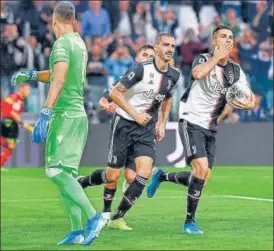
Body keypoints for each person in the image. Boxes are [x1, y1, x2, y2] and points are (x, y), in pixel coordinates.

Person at [146, 25, 256, 235]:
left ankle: (162, 176)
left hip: (211, 126)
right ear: (215, 42)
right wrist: (216, 58)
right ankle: (190, 222)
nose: (227, 40)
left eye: (230, 37)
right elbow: (197, 74)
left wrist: (248, 103)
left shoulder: (235, 70)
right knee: (200, 168)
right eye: (223, 37)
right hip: (191, 119)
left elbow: (250, 97)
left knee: (202, 178)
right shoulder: (203, 59)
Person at [11, 2, 104, 245]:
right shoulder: (79, 43)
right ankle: (77, 230)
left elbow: (59, 80)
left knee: (54, 170)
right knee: (68, 176)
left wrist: (45, 112)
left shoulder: (62, 44)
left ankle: (94, 217)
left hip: (64, 115)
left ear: (54, 21)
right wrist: (32, 75)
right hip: (78, 115)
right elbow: (57, 74)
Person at [77, 33, 180, 230]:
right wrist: (134, 113)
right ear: (157, 47)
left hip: (146, 128)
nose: (169, 49)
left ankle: (117, 216)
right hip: (124, 125)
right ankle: (83, 182)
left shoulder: (174, 74)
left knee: (143, 173)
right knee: (112, 176)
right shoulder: (140, 69)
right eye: (166, 45)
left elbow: (167, 98)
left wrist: (162, 122)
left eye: (173, 46)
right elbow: (114, 93)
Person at [0, 83, 32, 170]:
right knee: (11, 145)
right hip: (9, 122)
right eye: (28, 90)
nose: (29, 92)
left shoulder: (13, 97)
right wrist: (22, 123)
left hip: (5, 121)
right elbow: (13, 113)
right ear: (21, 89)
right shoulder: (17, 99)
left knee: (11, 145)